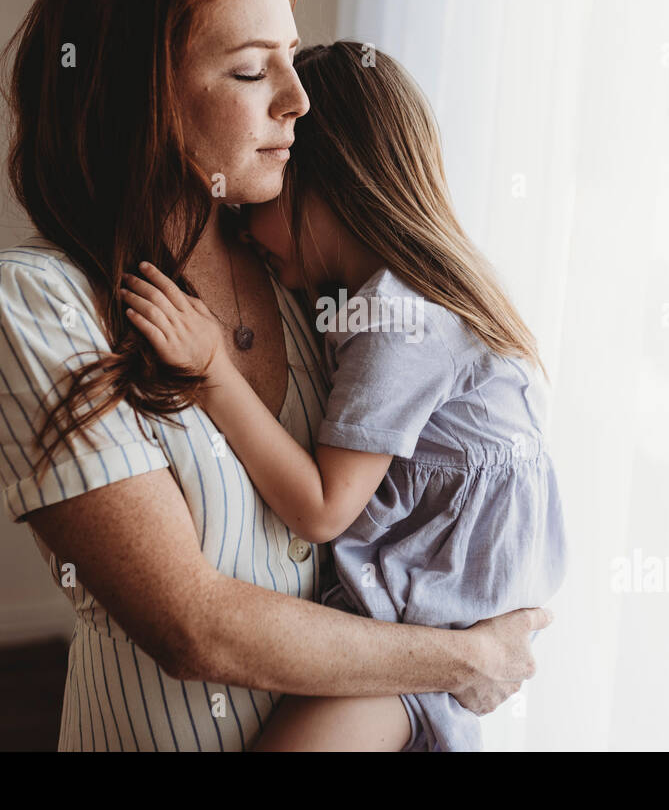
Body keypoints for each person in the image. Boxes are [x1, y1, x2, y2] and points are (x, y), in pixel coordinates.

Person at [0, 0, 550, 752]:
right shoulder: (33, 304)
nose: (300, 101)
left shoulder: (306, 271)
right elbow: (195, 626)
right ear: (141, 96)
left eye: (294, 59)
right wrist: (458, 658)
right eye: (249, 70)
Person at [118, 41, 568, 751]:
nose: (242, 227)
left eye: (266, 190)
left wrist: (212, 371)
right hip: (421, 635)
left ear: (328, 185)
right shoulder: (394, 298)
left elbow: (323, 508)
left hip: (410, 647)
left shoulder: (398, 316)